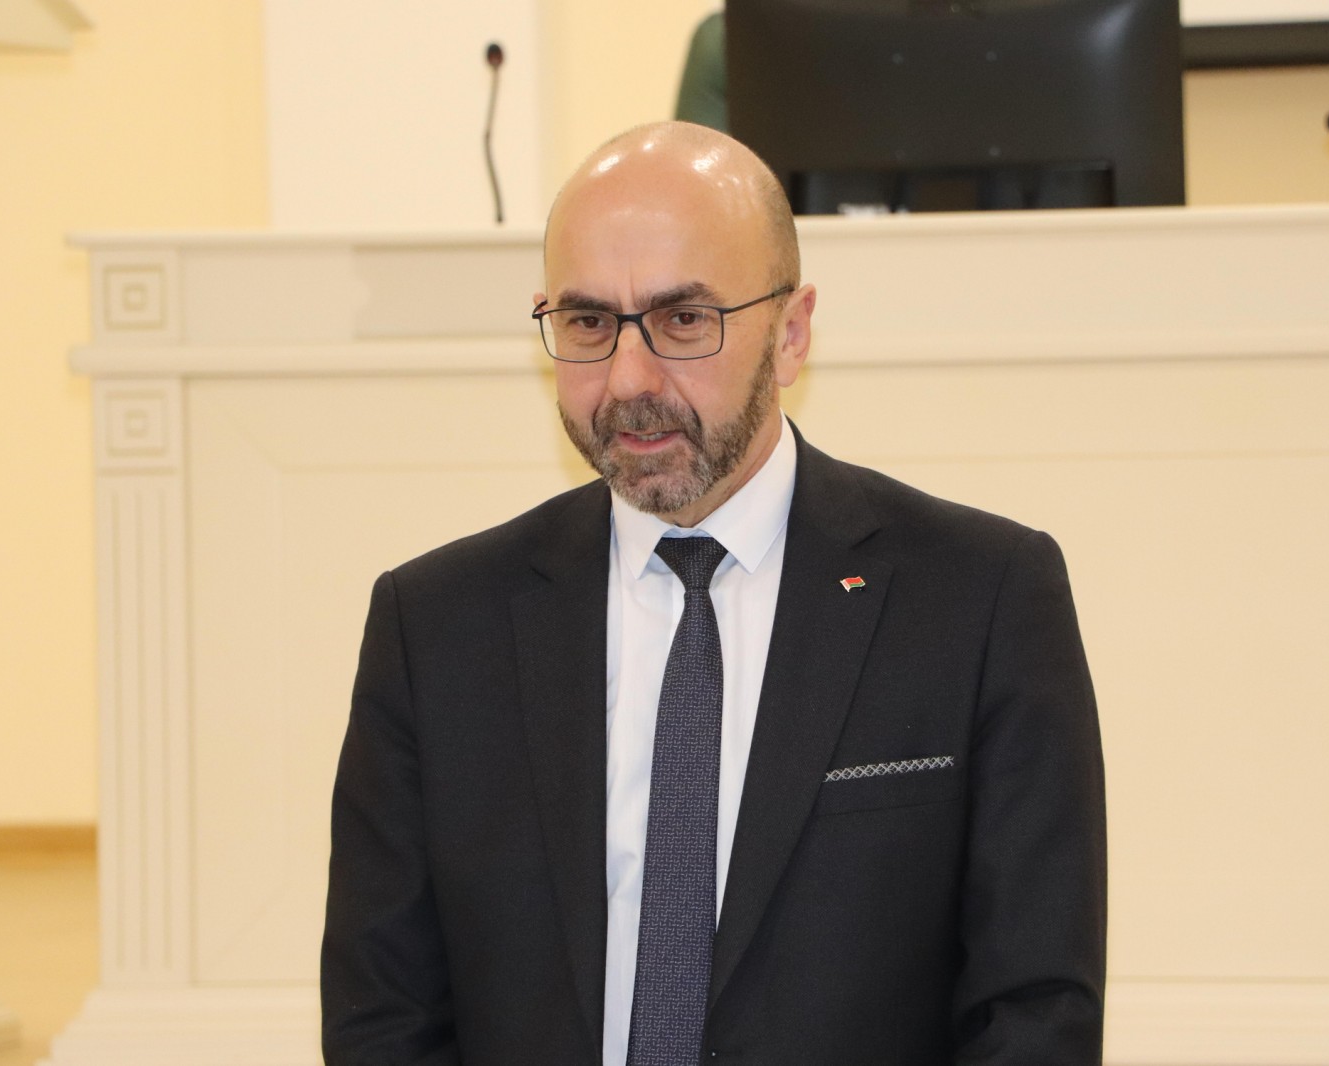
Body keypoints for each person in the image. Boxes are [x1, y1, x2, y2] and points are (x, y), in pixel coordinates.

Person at [321, 121, 1106, 1066]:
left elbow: (1034, 1011)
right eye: (588, 323)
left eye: (684, 320)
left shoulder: (981, 600)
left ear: (791, 333)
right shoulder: (435, 628)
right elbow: (384, 1017)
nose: (629, 379)